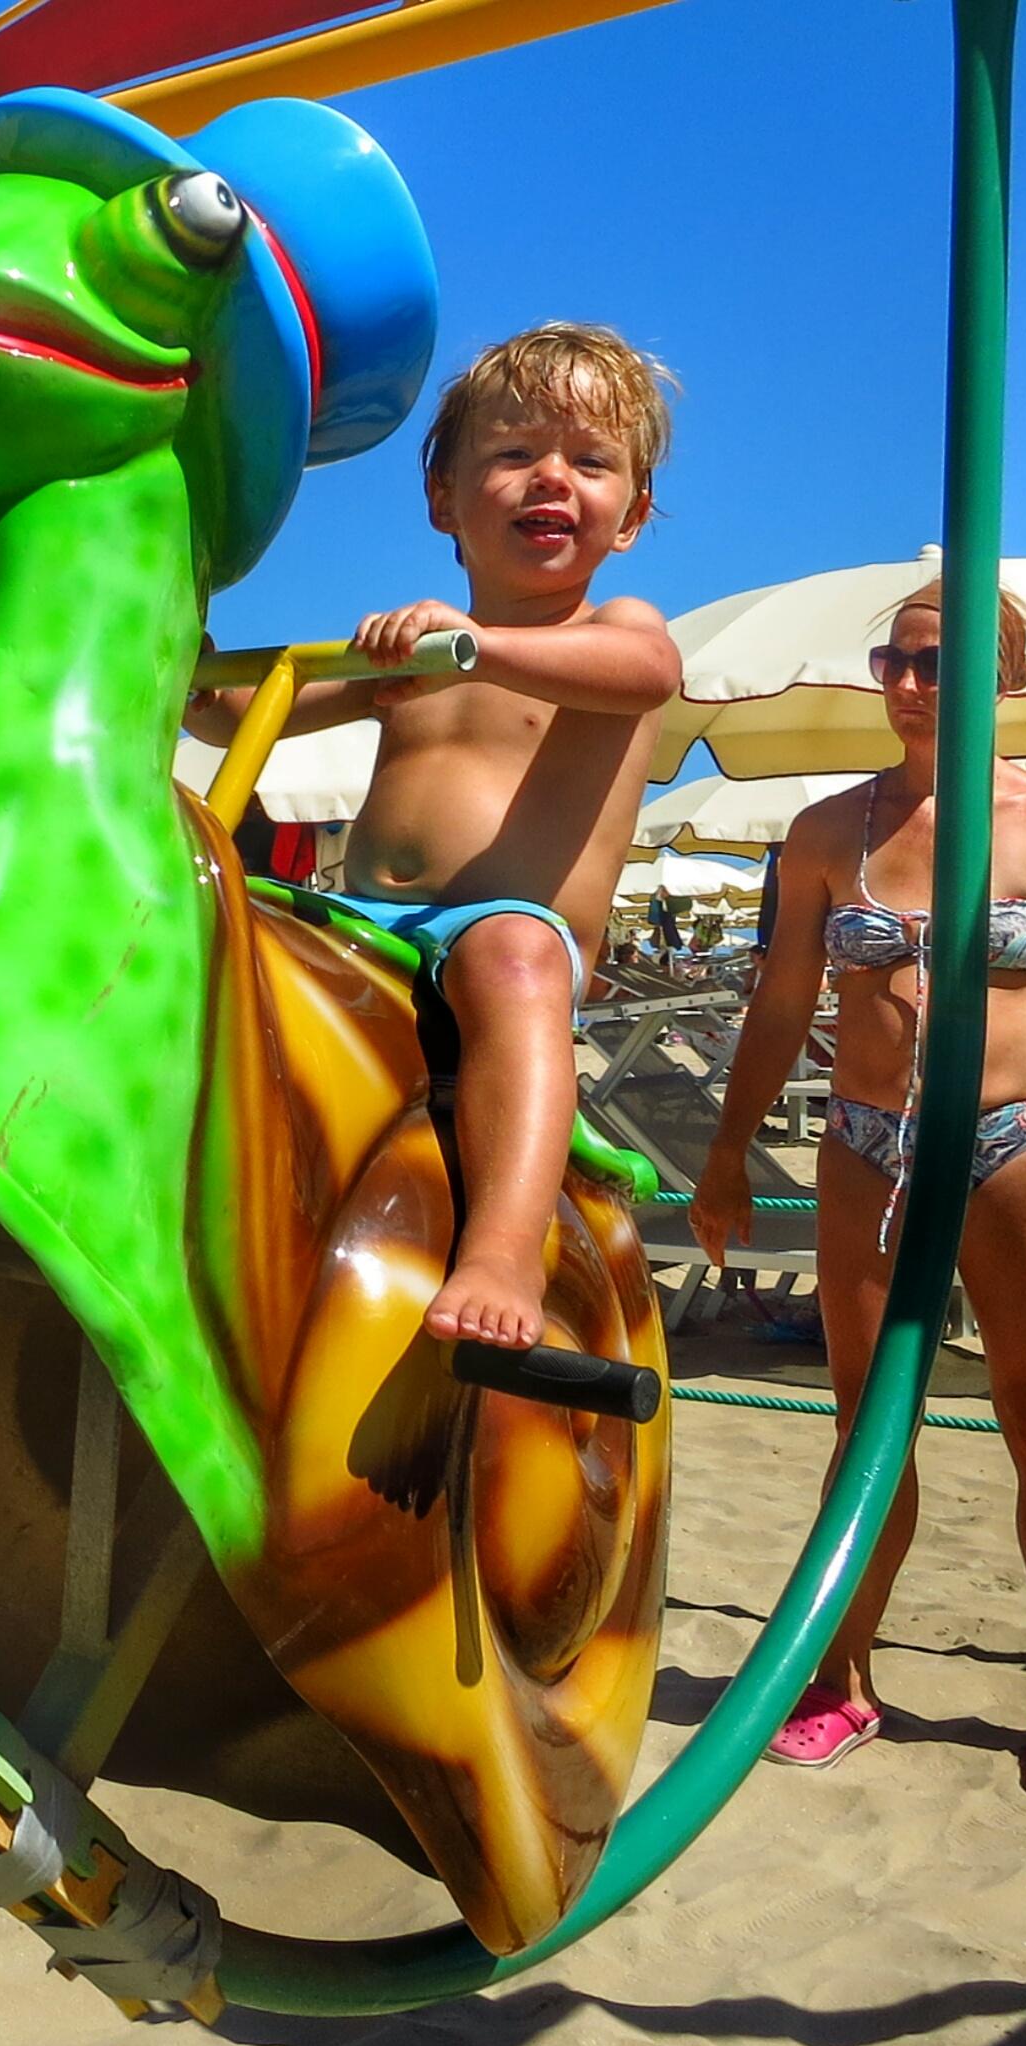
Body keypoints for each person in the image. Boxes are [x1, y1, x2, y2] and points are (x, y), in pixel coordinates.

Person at [691, 582, 1026, 1802]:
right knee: (866, 1426)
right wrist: (731, 1149)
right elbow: (782, 1001)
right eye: (891, 659)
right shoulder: (825, 831)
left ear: (1000, 678)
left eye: (938, 661)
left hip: (1022, 1136)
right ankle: (843, 1680)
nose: (908, 682)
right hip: (865, 1138)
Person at [184, 321, 683, 1348]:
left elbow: (649, 677)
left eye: (590, 462)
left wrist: (476, 651)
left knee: (513, 959)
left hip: (503, 930)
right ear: (443, 502)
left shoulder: (607, 629)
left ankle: (502, 1248)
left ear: (628, 516)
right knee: (207, 919)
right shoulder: (409, 655)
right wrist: (180, 619)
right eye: (512, 454)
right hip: (360, 918)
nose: (551, 476)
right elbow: (229, 716)